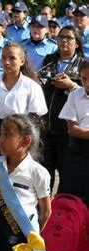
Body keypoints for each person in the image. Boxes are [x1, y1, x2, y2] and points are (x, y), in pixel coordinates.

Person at [0, 114, 52, 251]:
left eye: (8, 134)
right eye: (1, 134)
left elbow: (46, 211)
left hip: (24, 236)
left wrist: (32, 234)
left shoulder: (38, 172)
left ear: (25, 141)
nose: (1, 139)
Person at [0, 42, 47, 166]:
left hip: (20, 135)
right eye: (4, 57)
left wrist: (28, 149)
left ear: (22, 61)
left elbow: (35, 122)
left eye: (12, 58)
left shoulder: (31, 86)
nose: (6, 62)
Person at [39, 26, 84, 190]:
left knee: (67, 176)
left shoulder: (84, 64)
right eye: (61, 37)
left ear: (77, 43)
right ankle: (43, 211)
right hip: (46, 126)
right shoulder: (48, 60)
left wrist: (72, 85)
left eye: (69, 38)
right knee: (44, 175)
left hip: (68, 129)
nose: (64, 40)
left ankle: (65, 212)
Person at [58, 60, 89, 205]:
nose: (87, 83)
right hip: (78, 152)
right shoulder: (75, 95)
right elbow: (73, 129)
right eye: (84, 79)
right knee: (73, 198)